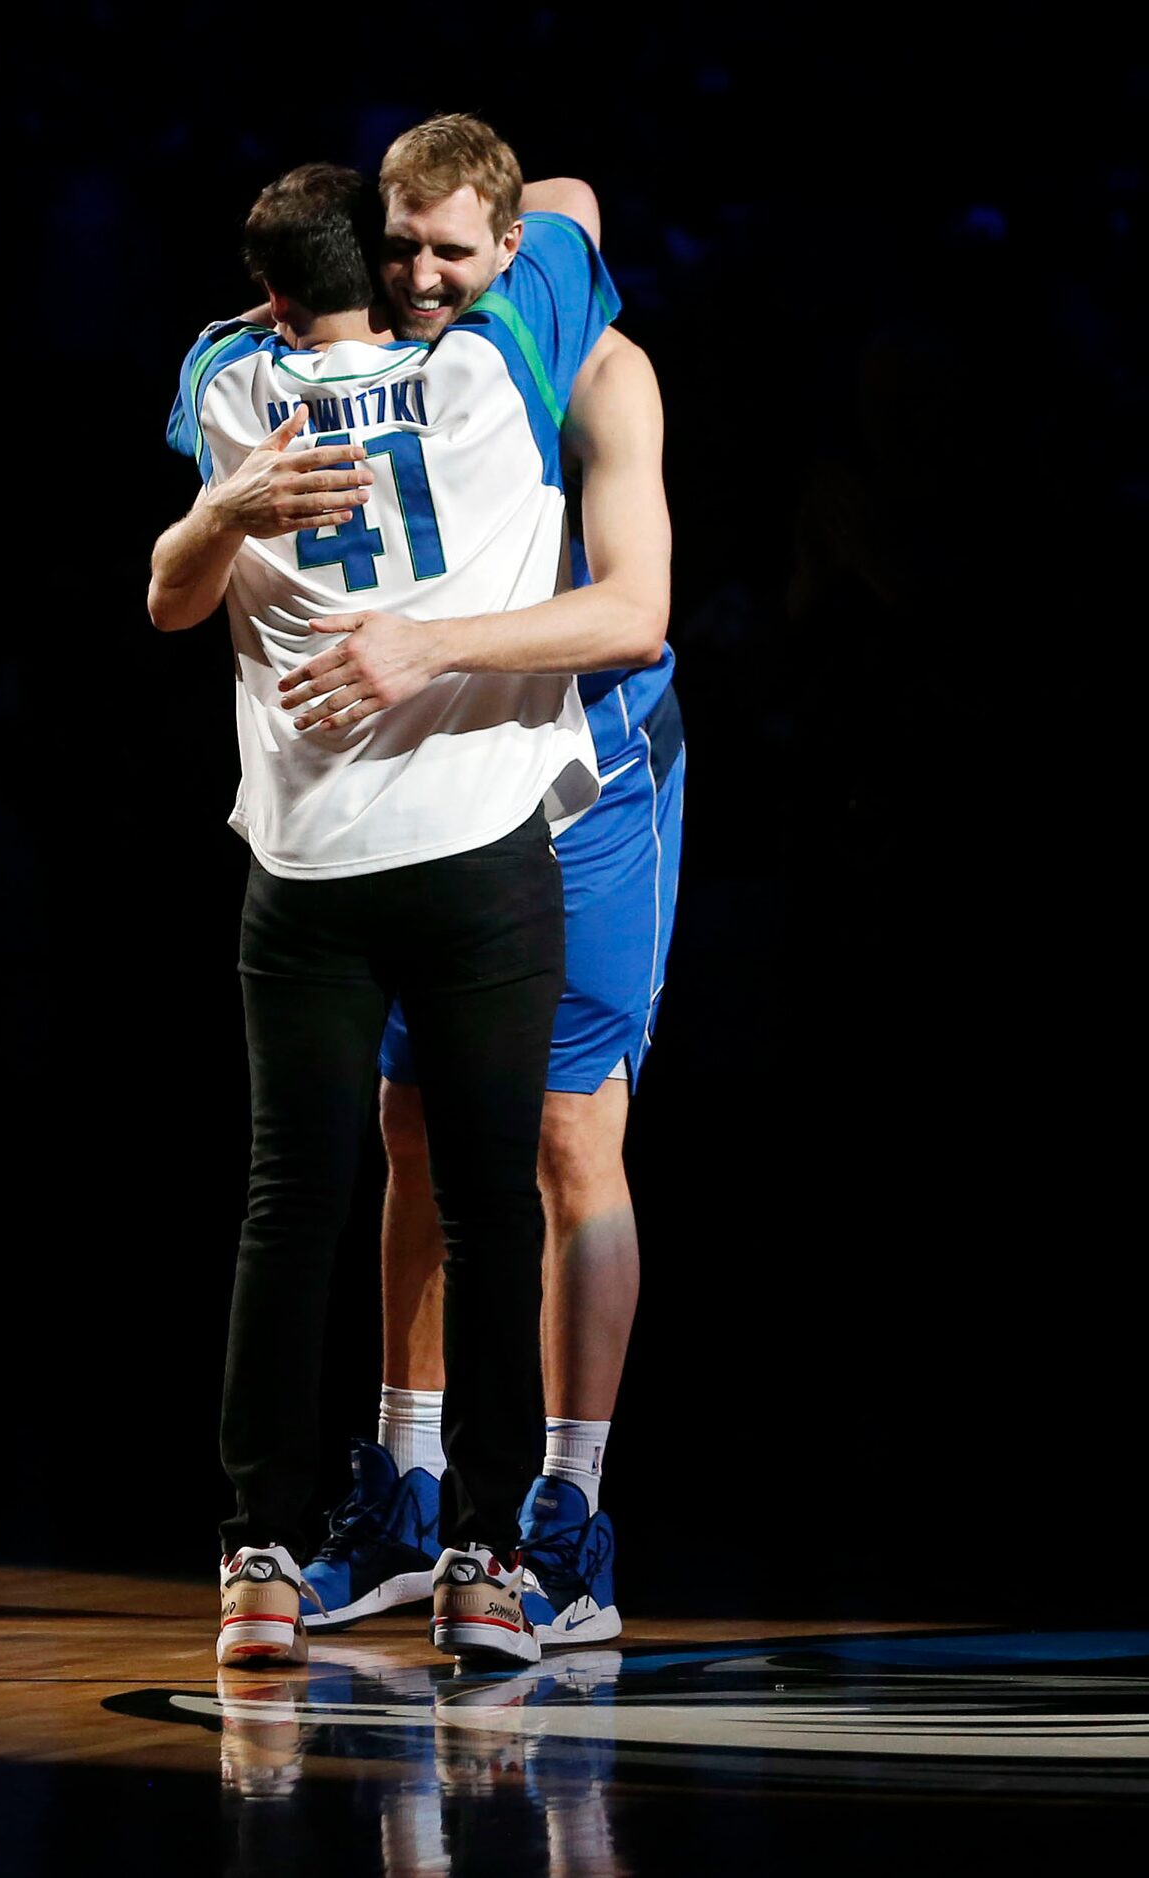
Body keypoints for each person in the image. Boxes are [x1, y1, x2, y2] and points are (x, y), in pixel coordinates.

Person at [149, 156, 633, 1669]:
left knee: (290, 1210)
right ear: (410, 266)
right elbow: (572, 202)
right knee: (494, 1206)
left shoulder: (229, 387)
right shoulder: (492, 366)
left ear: (276, 293)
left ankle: (258, 1558)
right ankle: (487, 1559)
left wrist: (284, 318)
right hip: (478, 850)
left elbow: (176, 574)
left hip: (304, 868)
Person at [283, 116, 684, 1648]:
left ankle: (567, 1519)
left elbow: (634, 613)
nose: (427, 274)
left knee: (571, 1134)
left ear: (518, 254)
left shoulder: (595, 369)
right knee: (411, 1128)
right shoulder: (375, 357)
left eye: (461, 249)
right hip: (440, 793)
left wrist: (428, 647)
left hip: (583, 781)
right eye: (404, 248)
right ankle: (405, 1485)